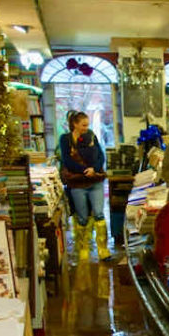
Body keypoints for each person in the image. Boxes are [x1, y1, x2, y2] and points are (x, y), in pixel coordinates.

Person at [59, 110, 107, 261]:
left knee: (99, 214)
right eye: (84, 125)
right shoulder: (65, 139)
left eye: (88, 124)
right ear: (75, 124)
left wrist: (95, 169)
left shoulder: (91, 135)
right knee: (82, 217)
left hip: (95, 181)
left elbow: (100, 155)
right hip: (77, 183)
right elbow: (66, 160)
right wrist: (84, 170)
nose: (86, 127)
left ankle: (103, 250)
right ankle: (83, 249)